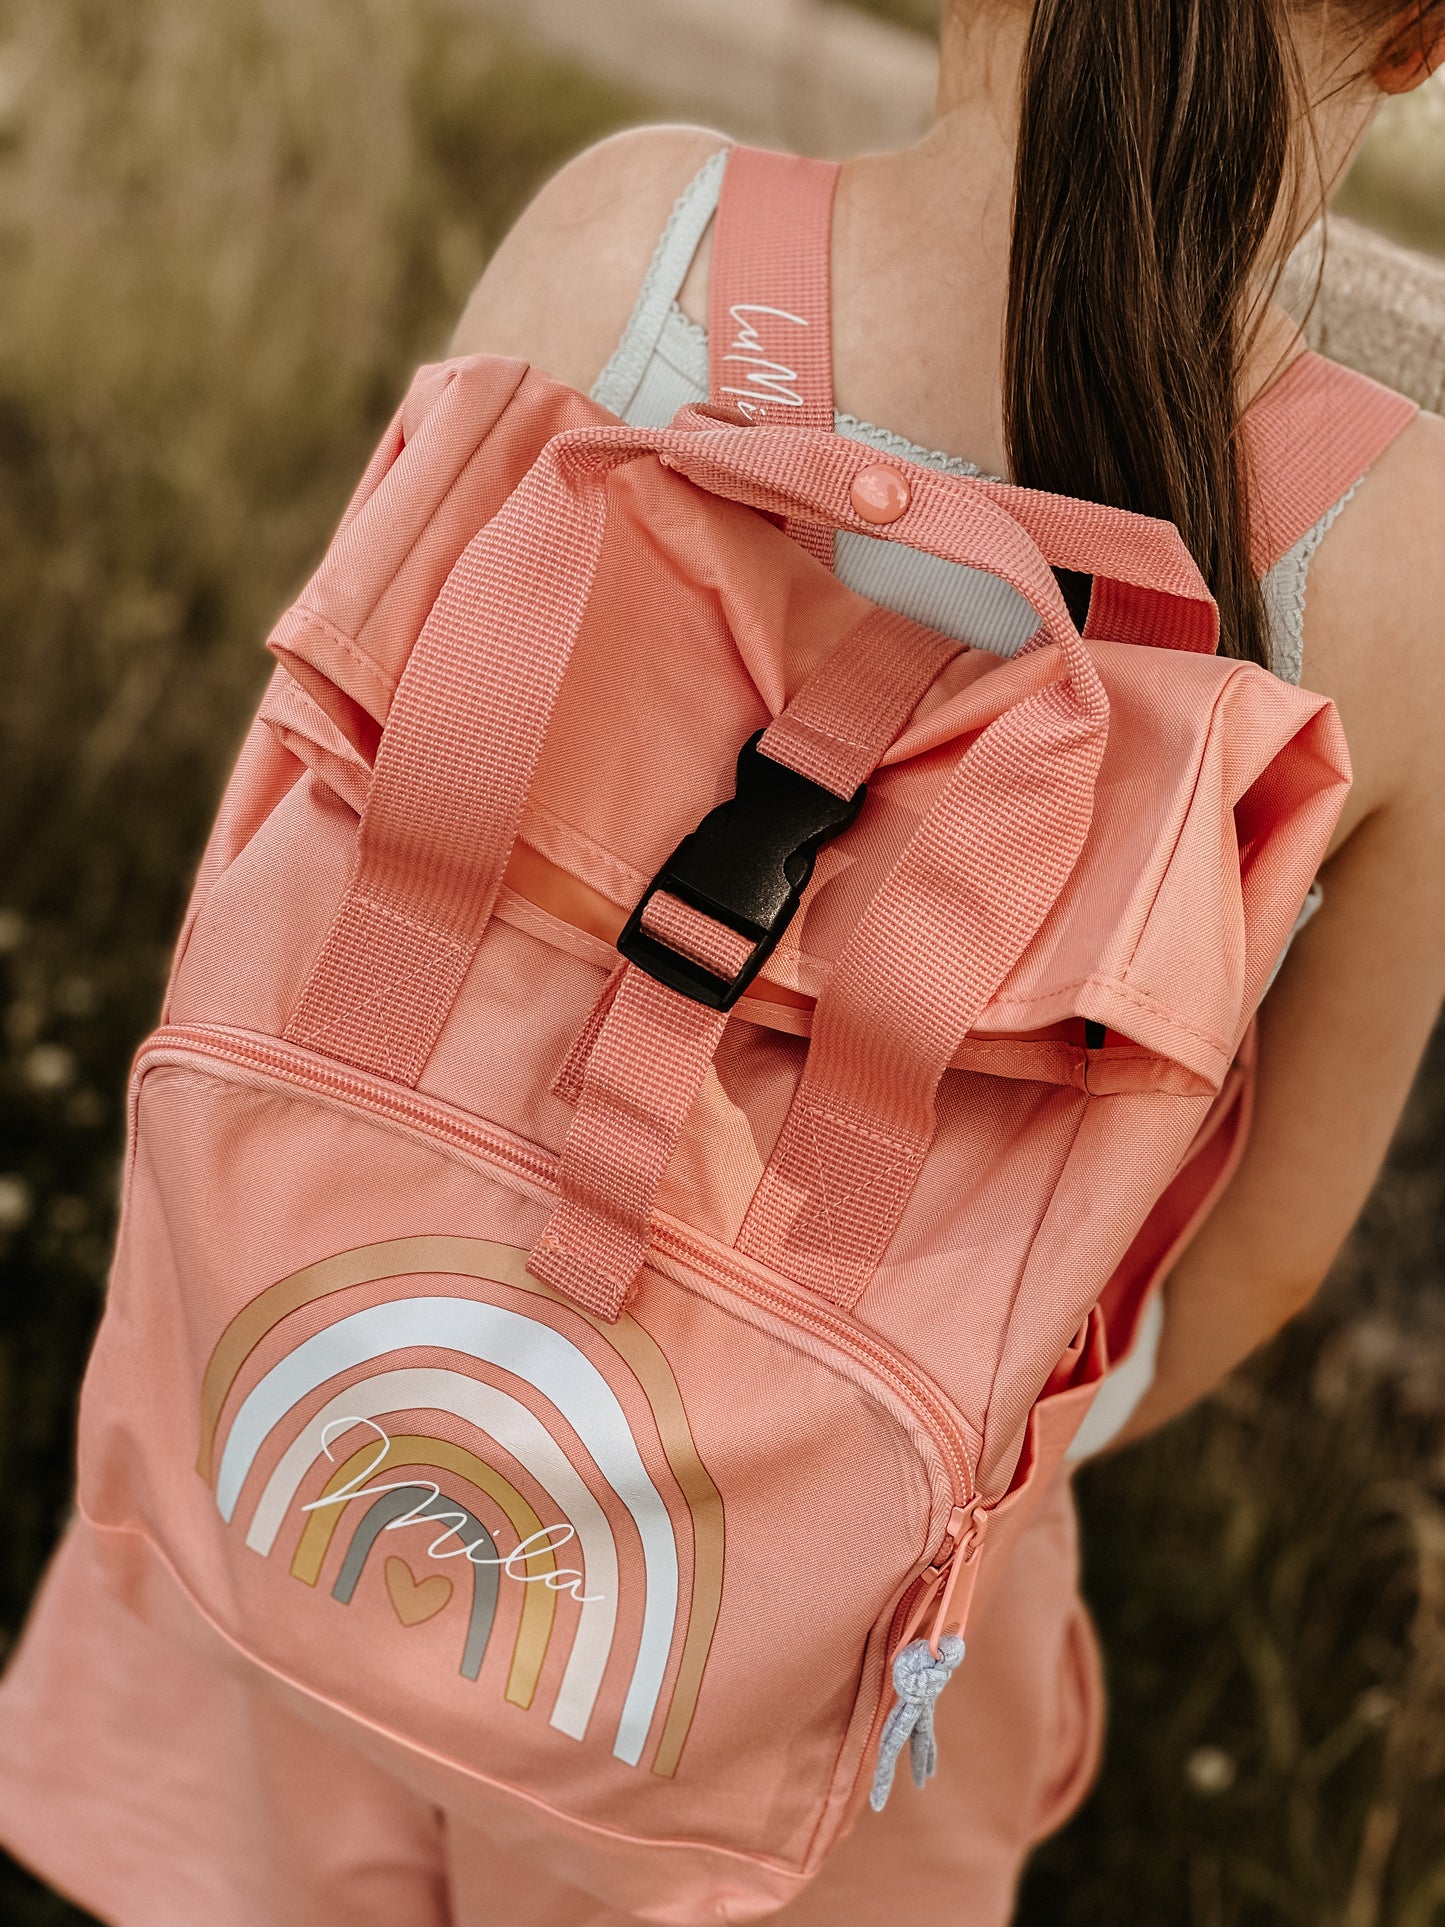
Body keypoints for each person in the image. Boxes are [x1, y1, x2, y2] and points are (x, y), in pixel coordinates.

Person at [0, 4, 1442, 1925]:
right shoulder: (1399, 557)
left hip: (316, 1425)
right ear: (1417, 39)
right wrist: (844, 1484)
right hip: (767, 1678)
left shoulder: (636, 239)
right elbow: (1258, 1259)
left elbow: (288, 869)